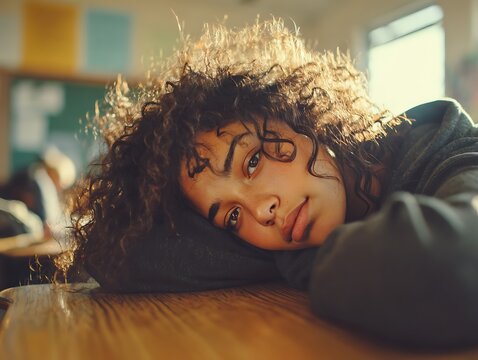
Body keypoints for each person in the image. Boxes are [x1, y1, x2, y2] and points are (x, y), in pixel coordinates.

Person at [60, 19, 478, 348]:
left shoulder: (450, 151)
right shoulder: (283, 220)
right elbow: (117, 256)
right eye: (232, 216)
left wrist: (303, 261)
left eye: (253, 161)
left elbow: (446, 268)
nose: (261, 213)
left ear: (299, 118)